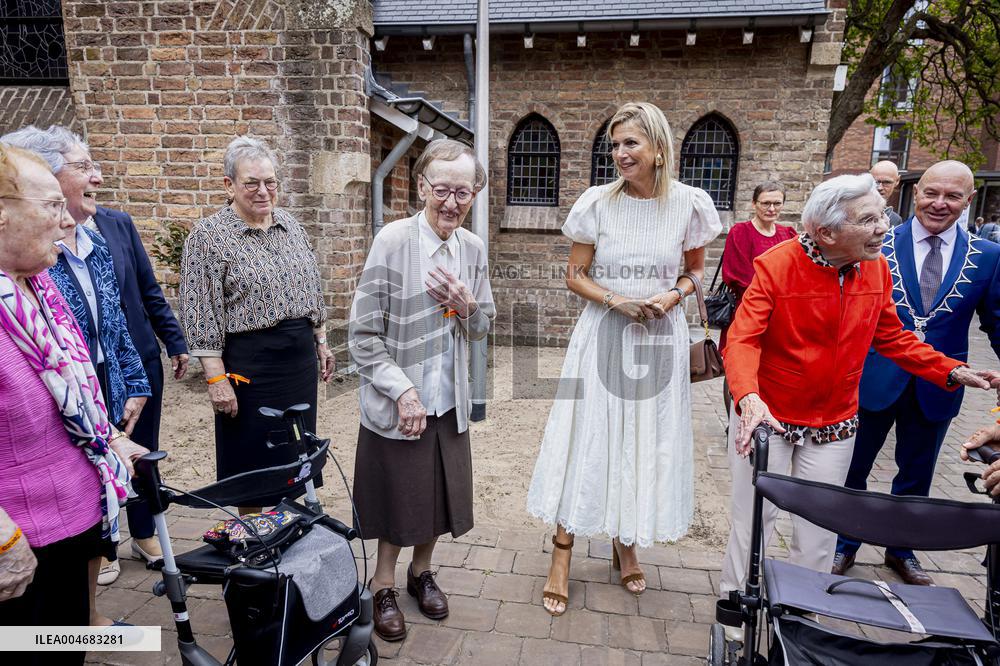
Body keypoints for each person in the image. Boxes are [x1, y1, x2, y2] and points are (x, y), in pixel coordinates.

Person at [720, 173, 997, 625]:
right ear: (826, 232)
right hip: (766, 416)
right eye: (869, 220)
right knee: (754, 520)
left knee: (820, 529)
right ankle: (737, 613)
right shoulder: (776, 266)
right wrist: (748, 398)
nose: (883, 229)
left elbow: (891, 336)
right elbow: (743, 340)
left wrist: (949, 369)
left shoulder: (877, 268)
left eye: (882, 217)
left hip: (834, 423)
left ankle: (800, 616)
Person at [526, 102, 722, 617]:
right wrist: (618, 301)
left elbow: (697, 271)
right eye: (614, 144)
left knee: (642, 440)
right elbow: (574, 275)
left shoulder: (688, 204)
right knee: (588, 437)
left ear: (659, 148)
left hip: (658, 340)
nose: (618, 153)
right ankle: (562, 556)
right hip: (604, 336)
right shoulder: (597, 203)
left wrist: (671, 298)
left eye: (629, 143)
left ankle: (625, 542)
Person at [1, 125, 189, 572]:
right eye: (83, 166)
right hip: (28, 526)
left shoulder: (51, 277)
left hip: (103, 384)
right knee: (36, 638)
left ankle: (126, 540)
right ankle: (101, 555)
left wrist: (135, 384)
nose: (66, 219)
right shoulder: (35, 272)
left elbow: (123, 311)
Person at [0, 143, 147, 663]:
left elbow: (74, 391)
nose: (67, 222)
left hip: (72, 522)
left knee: (65, 646)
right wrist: (2, 541)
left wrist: (110, 441)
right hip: (20, 544)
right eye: (52, 207)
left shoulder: (38, 287)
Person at [348, 139, 495, 642]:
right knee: (398, 495)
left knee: (437, 495)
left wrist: (468, 305)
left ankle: (420, 574)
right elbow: (362, 334)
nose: (452, 202)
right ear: (421, 188)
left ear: (473, 195)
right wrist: (402, 391)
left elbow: (483, 328)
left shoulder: (472, 250)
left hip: (447, 400)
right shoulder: (392, 242)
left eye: (463, 191)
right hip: (400, 401)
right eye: (442, 190)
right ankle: (382, 585)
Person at [833, 161, 1000, 585]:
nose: (939, 204)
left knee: (917, 472)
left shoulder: (988, 256)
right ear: (915, 192)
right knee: (854, 467)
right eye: (931, 193)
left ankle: (902, 550)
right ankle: (842, 545)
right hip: (873, 377)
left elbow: (996, 322)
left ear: (969, 201)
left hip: (939, 383)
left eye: (952, 196)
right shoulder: (878, 240)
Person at [180, 136, 333, 515]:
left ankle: (285, 529)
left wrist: (321, 340)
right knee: (249, 457)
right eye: (252, 183)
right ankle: (252, 537)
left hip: (297, 361)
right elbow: (200, 312)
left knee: (295, 449)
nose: (264, 191)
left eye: (270, 182)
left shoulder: (291, 226)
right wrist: (216, 381)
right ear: (229, 185)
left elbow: (311, 286)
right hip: (249, 365)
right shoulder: (209, 237)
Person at [719, 181, 797, 412]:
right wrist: (773, 292)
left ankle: (765, 411)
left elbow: (794, 271)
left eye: (777, 203)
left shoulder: (788, 234)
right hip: (748, 310)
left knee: (769, 365)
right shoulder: (741, 232)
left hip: (781, 316)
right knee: (739, 364)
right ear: (754, 204)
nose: (771, 208)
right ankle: (736, 414)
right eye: (766, 203)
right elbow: (736, 274)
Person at [871, 160, 904, 226]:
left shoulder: (895, 220)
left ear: (897, 181)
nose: (879, 188)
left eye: (886, 182)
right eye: (876, 182)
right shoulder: (851, 210)